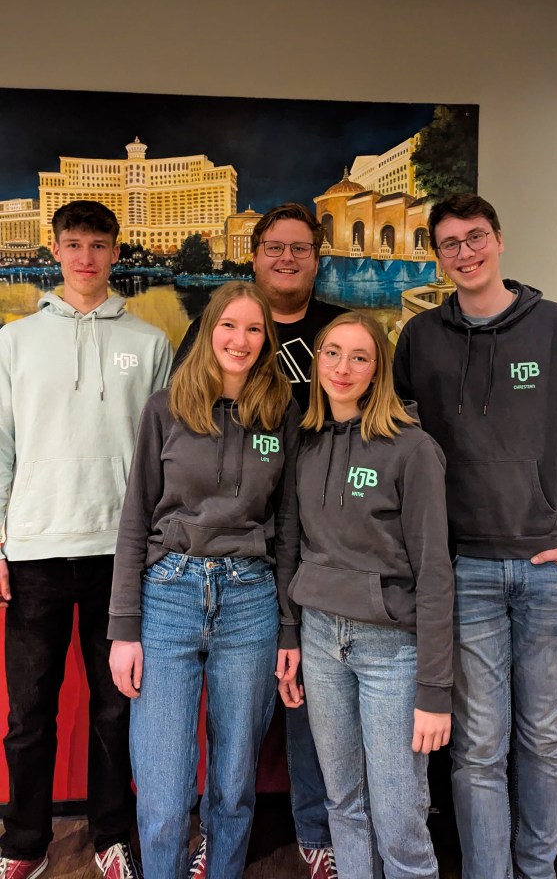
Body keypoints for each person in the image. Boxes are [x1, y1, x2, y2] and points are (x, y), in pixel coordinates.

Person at [393, 193, 557, 879]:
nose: (465, 253)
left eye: (475, 238)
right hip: (463, 566)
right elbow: (396, 443)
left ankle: (538, 870)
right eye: (450, 244)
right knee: (477, 749)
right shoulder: (419, 338)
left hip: (550, 565)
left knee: (545, 740)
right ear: (437, 257)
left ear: (498, 240)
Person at [0, 200, 173, 879]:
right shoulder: (13, 341)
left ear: (116, 253)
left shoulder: (150, 343)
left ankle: (109, 835)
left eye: (98, 245)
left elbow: (164, 456)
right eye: (73, 244)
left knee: (114, 710)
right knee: (28, 714)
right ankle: (24, 842)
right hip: (35, 549)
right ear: (55, 250)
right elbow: (1, 447)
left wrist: (157, 545)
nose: (85, 257)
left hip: (121, 554)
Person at [108, 280, 301, 879]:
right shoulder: (166, 407)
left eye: (254, 329)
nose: (240, 340)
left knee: (234, 783)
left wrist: (289, 630)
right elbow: (135, 516)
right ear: (209, 330)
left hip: (250, 600)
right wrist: (123, 629)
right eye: (229, 326)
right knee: (164, 789)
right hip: (169, 595)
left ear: (266, 339)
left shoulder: (281, 411)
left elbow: (289, 526)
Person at [174, 204, 346, 879]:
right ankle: (215, 837)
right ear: (254, 255)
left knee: (311, 693)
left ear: (317, 258)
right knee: (231, 714)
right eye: (274, 246)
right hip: (242, 544)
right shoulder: (214, 328)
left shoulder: (340, 329)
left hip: (328, 535)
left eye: (300, 248)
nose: (286, 258)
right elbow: (184, 423)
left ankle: (316, 831)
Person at [280, 311, 453, 879]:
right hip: (321, 639)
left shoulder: (412, 448)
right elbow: (292, 546)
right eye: (332, 353)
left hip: (391, 650)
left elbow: (435, 572)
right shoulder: (305, 444)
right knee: (343, 803)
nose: (343, 368)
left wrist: (435, 689)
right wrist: (291, 634)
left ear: (378, 370)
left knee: (400, 817)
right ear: (316, 362)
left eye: (360, 357)